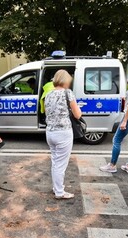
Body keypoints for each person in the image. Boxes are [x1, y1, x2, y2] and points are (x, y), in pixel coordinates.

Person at [45, 70, 82, 200]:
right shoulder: (68, 93)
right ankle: (60, 192)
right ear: (66, 80)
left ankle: (57, 187)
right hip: (63, 133)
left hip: (50, 132)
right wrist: (79, 108)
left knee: (55, 162)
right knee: (61, 164)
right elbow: (77, 115)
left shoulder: (48, 94)